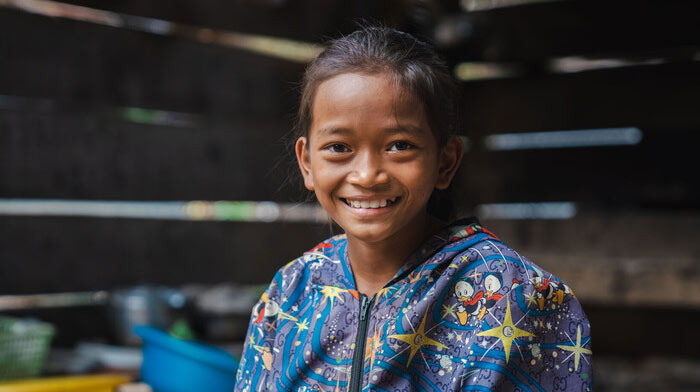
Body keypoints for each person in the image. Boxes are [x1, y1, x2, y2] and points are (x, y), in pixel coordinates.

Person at [234, 26, 592, 392]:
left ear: (445, 162)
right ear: (307, 163)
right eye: (339, 148)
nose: (367, 175)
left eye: (399, 145)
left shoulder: (514, 298)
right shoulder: (290, 294)